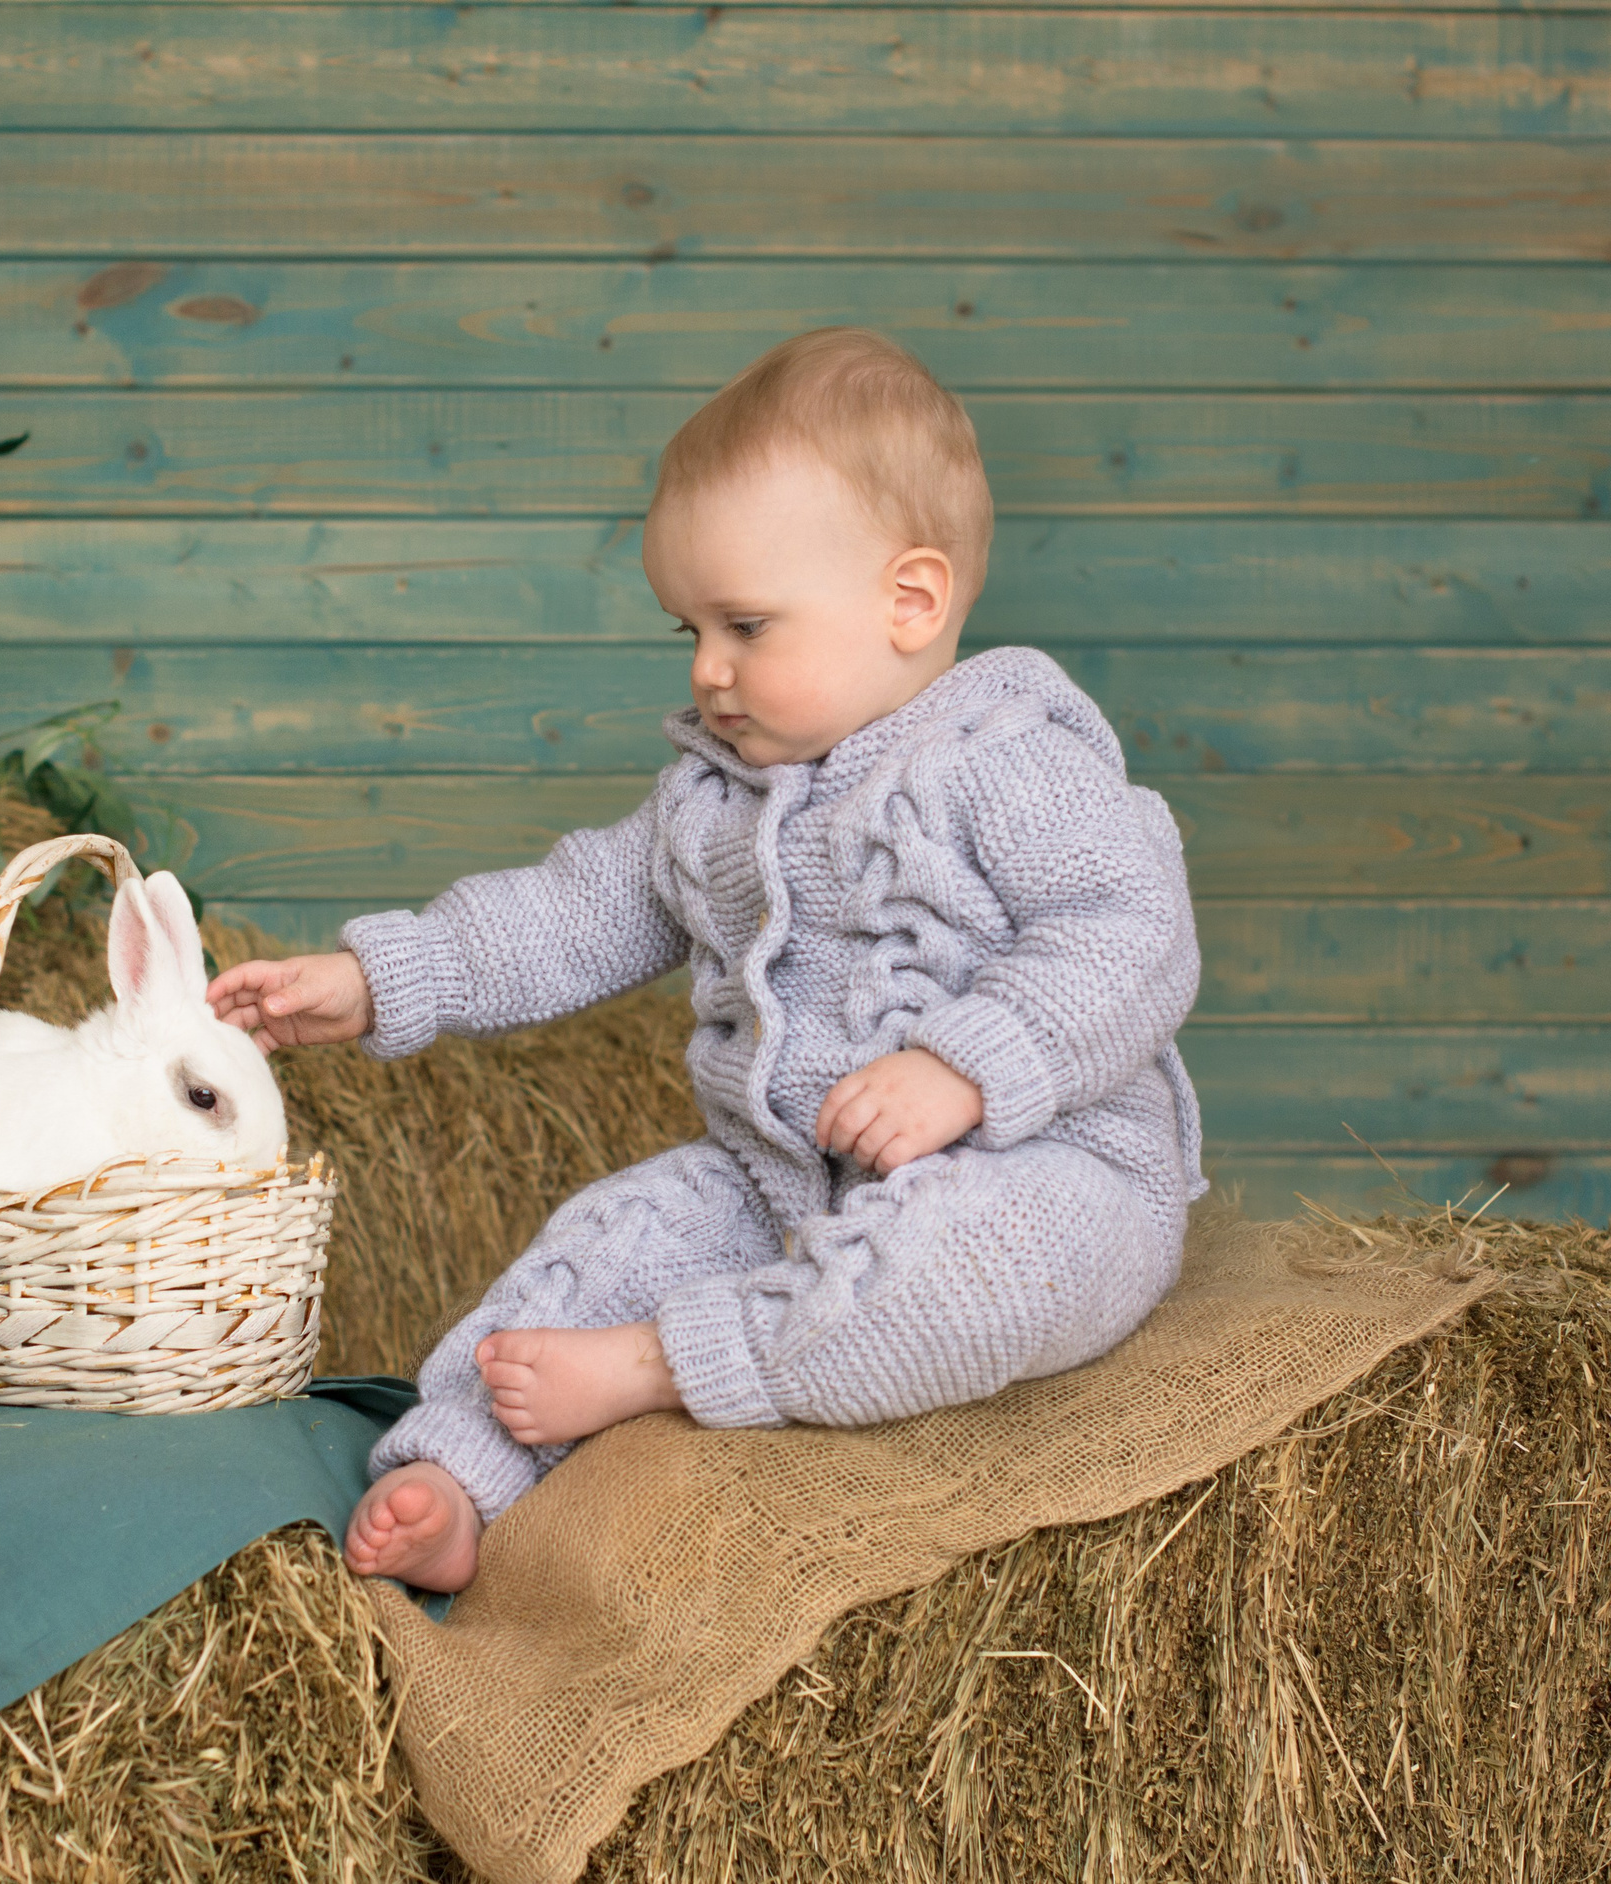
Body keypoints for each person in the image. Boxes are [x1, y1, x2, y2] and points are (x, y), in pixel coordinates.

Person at [207, 328, 1205, 1594]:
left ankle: (656, 1366)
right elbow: (570, 911)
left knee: (959, 1277)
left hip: (1048, 1168)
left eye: (744, 624)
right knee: (611, 1234)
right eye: (685, 627)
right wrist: (375, 980)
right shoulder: (713, 801)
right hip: (786, 1177)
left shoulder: (1009, 759)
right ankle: (455, 1474)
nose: (705, 670)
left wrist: (965, 1066)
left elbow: (1134, 933)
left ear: (911, 600)